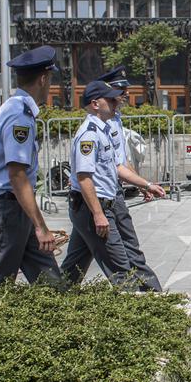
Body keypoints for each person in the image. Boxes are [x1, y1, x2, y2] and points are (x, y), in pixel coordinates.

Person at [0, 46, 63, 285]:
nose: (50, 85)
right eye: (50, 79)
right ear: (43, 78)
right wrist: (41, 226)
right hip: (8, 210)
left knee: (51, 283)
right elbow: (17, 174)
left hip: (12, 207)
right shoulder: (19, 116)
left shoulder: (9, 107)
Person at [59, 80, 152, 289]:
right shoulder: (89, 134)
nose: (116, 102)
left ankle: (53, 302)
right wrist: (98, 214)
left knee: (74, 267)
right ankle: (139, 316)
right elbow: (84, 177)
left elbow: (117, 167)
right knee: (121, 269)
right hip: (94, 208)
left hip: (99, 206)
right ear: (95, 104)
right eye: (110, 99)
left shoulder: (104, 131)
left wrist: (146, 185)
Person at [91, 65, 166, 291]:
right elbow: (87, 174)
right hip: (98, 199)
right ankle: (150, 294)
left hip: (112, 194)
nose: (123, 96)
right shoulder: (95, 128)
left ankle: (60, 291)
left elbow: (122, 160)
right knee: (121, 257)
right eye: (118, 92)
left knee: (81, 255)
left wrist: (141, 183)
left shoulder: (114, 119)